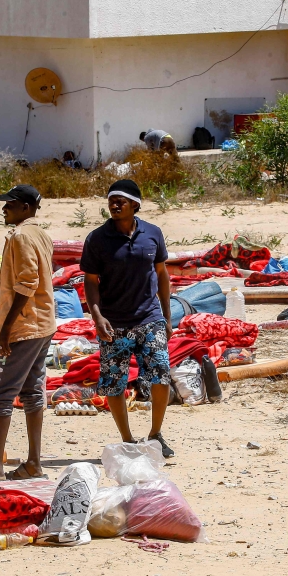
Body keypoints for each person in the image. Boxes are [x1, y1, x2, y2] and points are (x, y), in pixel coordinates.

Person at [81, 179, 176, 458]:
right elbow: (90, 280)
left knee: (161, 375)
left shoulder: (153, 234)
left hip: (150, 317)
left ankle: (156, 434)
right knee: (114, 381)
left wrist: (167, 317)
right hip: (114, 322)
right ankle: (127, 439)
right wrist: (97, 317)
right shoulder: (97, 239)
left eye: (121, 200)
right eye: (111, 200)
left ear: (135, 204)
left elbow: (161, 274)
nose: (114, 204)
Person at [0, 184, 56, 480]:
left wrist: (6, 328)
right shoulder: (40, 233)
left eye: (9, 205)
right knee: (31, 390)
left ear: (25, 208)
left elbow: (28, 283)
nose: (4, 210)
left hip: (26, 324)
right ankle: (34, 463)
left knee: (1, 393)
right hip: (44, 322)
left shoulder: (22, 235)